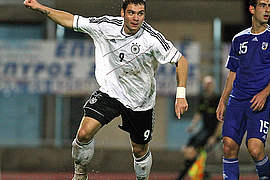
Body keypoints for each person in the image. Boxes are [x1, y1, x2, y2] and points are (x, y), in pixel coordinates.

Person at [24, 0, 189, 180]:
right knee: (84, 133)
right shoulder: (105, 26)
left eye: (140, 13)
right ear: (123, 13)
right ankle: (80, 174)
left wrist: (180, 95)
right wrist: (41, 8)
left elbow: (181, 61)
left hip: (140, 101)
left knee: (139, 150)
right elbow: (70, 20)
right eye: (131, 13)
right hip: (110, 92)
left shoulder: (152, 39)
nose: (135, 18)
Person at [216, 0, 270, 179]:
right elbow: (233, 72)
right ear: (252, 9)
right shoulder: (239, 39)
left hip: (259, 102)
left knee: (255, 149)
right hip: (237, 100)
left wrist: (264, 94)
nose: (268, 10)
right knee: (228, 145)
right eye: (263, 5)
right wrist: (223, 101)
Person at [175, 75, 222, 180]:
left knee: (193, 152)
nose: (208, 86)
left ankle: (182, 176)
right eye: (206, 84)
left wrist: (214, 137)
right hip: (204, 131)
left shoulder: (217, 99)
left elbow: (221, 121)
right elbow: (199, 114)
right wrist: (192, 125)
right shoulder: (202, 98)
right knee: (189, 150)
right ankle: (204, 174)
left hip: (213, 133)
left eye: (210, 84)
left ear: (213, 85)